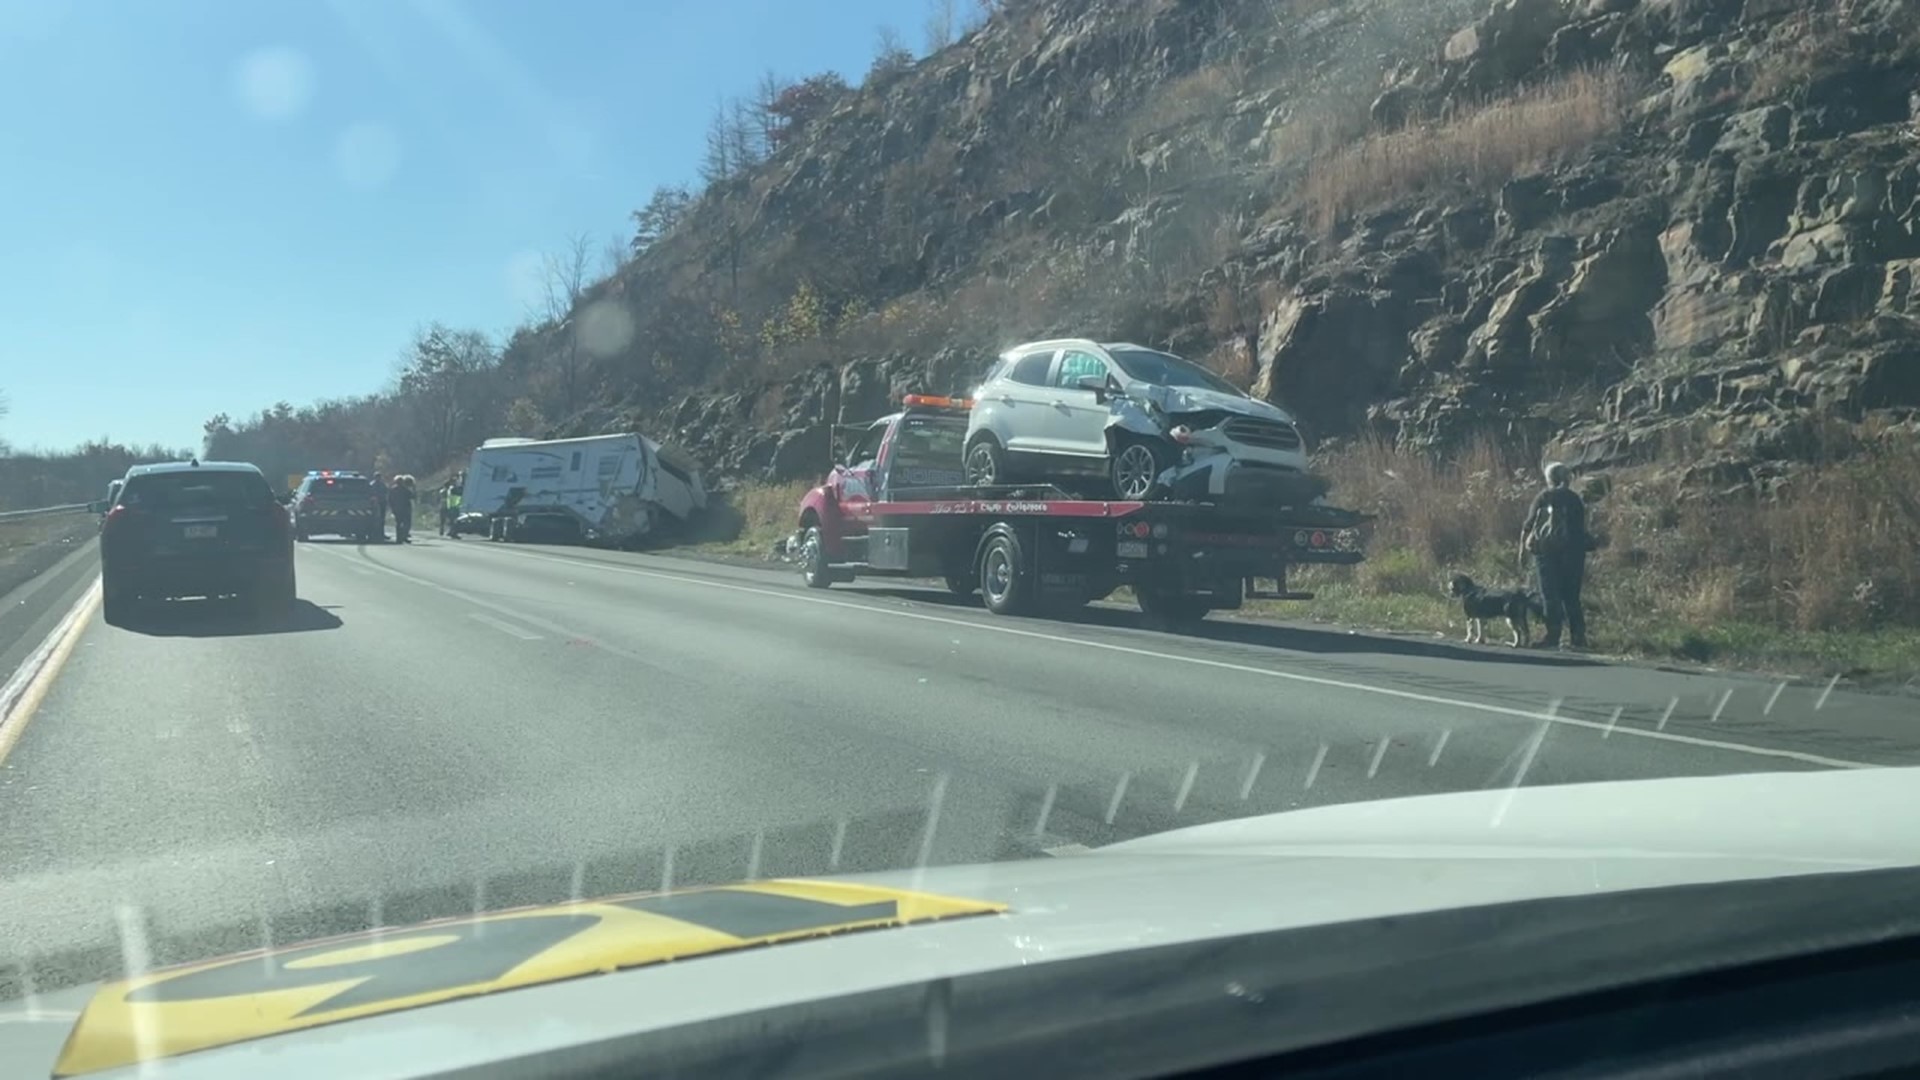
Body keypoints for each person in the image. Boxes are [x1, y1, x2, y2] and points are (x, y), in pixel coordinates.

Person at [1521, 461, 1591, 650]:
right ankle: (1578, 638)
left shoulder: (1544, 497)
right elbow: (1581, 527)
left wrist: (1524, 546)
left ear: (1549, 478)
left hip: (1547, 552)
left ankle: (1552, 636)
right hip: (1574, 553)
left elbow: (1530, 524)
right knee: (1571, 596)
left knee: (1550, 595)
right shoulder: (1575, 499)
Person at [390, 474, 415, 543]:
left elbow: (390, 500)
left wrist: (392, 508)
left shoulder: (393, 489)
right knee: (406, 523)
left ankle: (399, 538)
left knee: (398, 524)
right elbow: (412, 496)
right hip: (405, 509)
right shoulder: (405, 489)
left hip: (397, 509)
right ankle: (404, 536)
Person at [369, 472, 389, 542]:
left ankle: (381, 534)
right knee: (375, 519)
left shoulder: (382, 484)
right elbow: (370, 494)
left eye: (379, 477)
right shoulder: (372, 485)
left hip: (382, 503)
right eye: (377, 477)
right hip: (374, 504)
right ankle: (374, 534)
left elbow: (386, 492)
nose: (378, 478)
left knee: (382, 520)